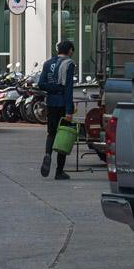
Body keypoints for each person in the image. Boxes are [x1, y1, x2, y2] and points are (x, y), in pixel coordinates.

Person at [40, 40, 78, 180]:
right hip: (62, 104)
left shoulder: (47, 63)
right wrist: (69, 110)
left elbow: (41, 84)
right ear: (69, 50)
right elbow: (68, 88)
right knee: (63, 137)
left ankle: (48, 154)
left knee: (51, 133)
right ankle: (59, 171)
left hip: (51, 103)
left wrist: (53, 89)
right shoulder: (69, 64)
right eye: (72, 50)